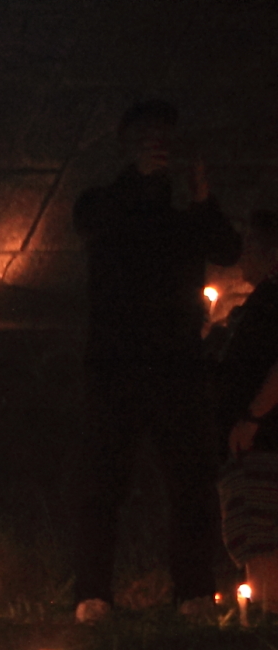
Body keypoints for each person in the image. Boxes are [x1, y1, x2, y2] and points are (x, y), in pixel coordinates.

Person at [73, 101, 244, 620]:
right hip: (117, 364)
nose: (159, 147)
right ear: (128, 144)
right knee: (105, 480)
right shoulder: (103, 201)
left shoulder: (185, 213)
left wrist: (202, 197)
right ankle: (92, 593)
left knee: (190, 480)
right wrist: (138, 182)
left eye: (166, 139)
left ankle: (193, 590)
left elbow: (227, 249)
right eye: (149, 138)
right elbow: (96, 227)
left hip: (178, 364)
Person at [217, 212, 278, 609]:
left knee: (265, 536)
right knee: (255, 535)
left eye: (250, 247)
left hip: (266, 439)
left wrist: (253, 418)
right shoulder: (262, 300)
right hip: (255, 438)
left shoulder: (275, 300)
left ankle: (269, 627)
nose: (242, 257)